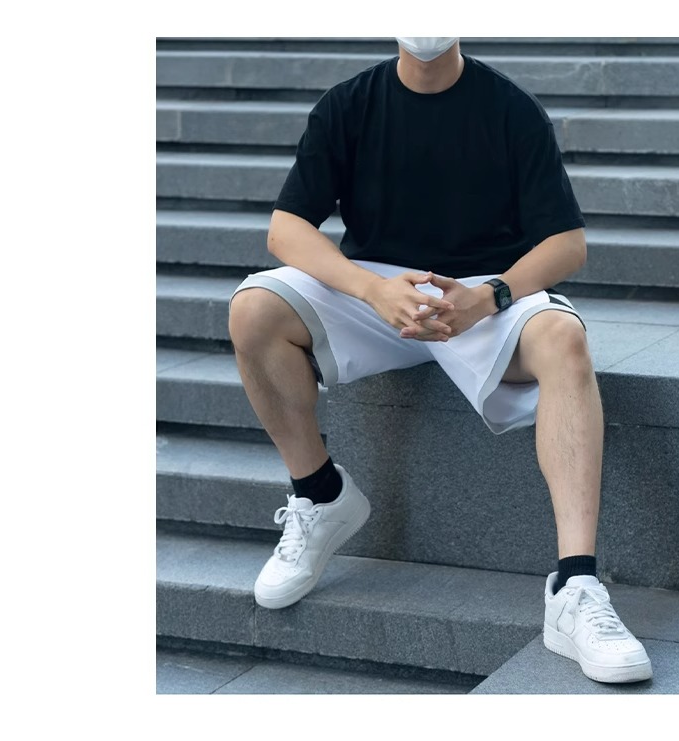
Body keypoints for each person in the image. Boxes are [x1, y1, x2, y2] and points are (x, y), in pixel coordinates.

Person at [228, 37, 652, 684]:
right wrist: (370, 289)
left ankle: (575, 587)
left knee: (564, 339)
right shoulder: (349, 105)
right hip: (376, 292)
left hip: (481, 293)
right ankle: (321, 494)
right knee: (254, 308)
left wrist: (491, 296)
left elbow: (567, 243)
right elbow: (286, 229)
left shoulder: (509, 108)